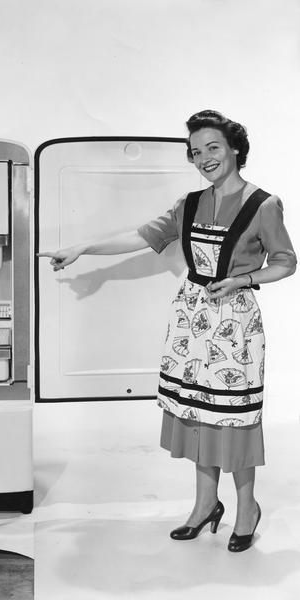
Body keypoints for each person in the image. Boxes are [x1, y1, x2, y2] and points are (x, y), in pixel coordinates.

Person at [38, 110, 296, 552]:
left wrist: (242, 279)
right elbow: (139, 237)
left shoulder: (264, 205)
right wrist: (82, 247)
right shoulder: (188, 204)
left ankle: (246, 508)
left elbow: (286, 261)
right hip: (192, 318)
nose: (204, 158)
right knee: (195, 411)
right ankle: (204, 505)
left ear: (235, 149)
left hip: (234, 322)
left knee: (233, 417)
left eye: (212, 147)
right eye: (196, 152)